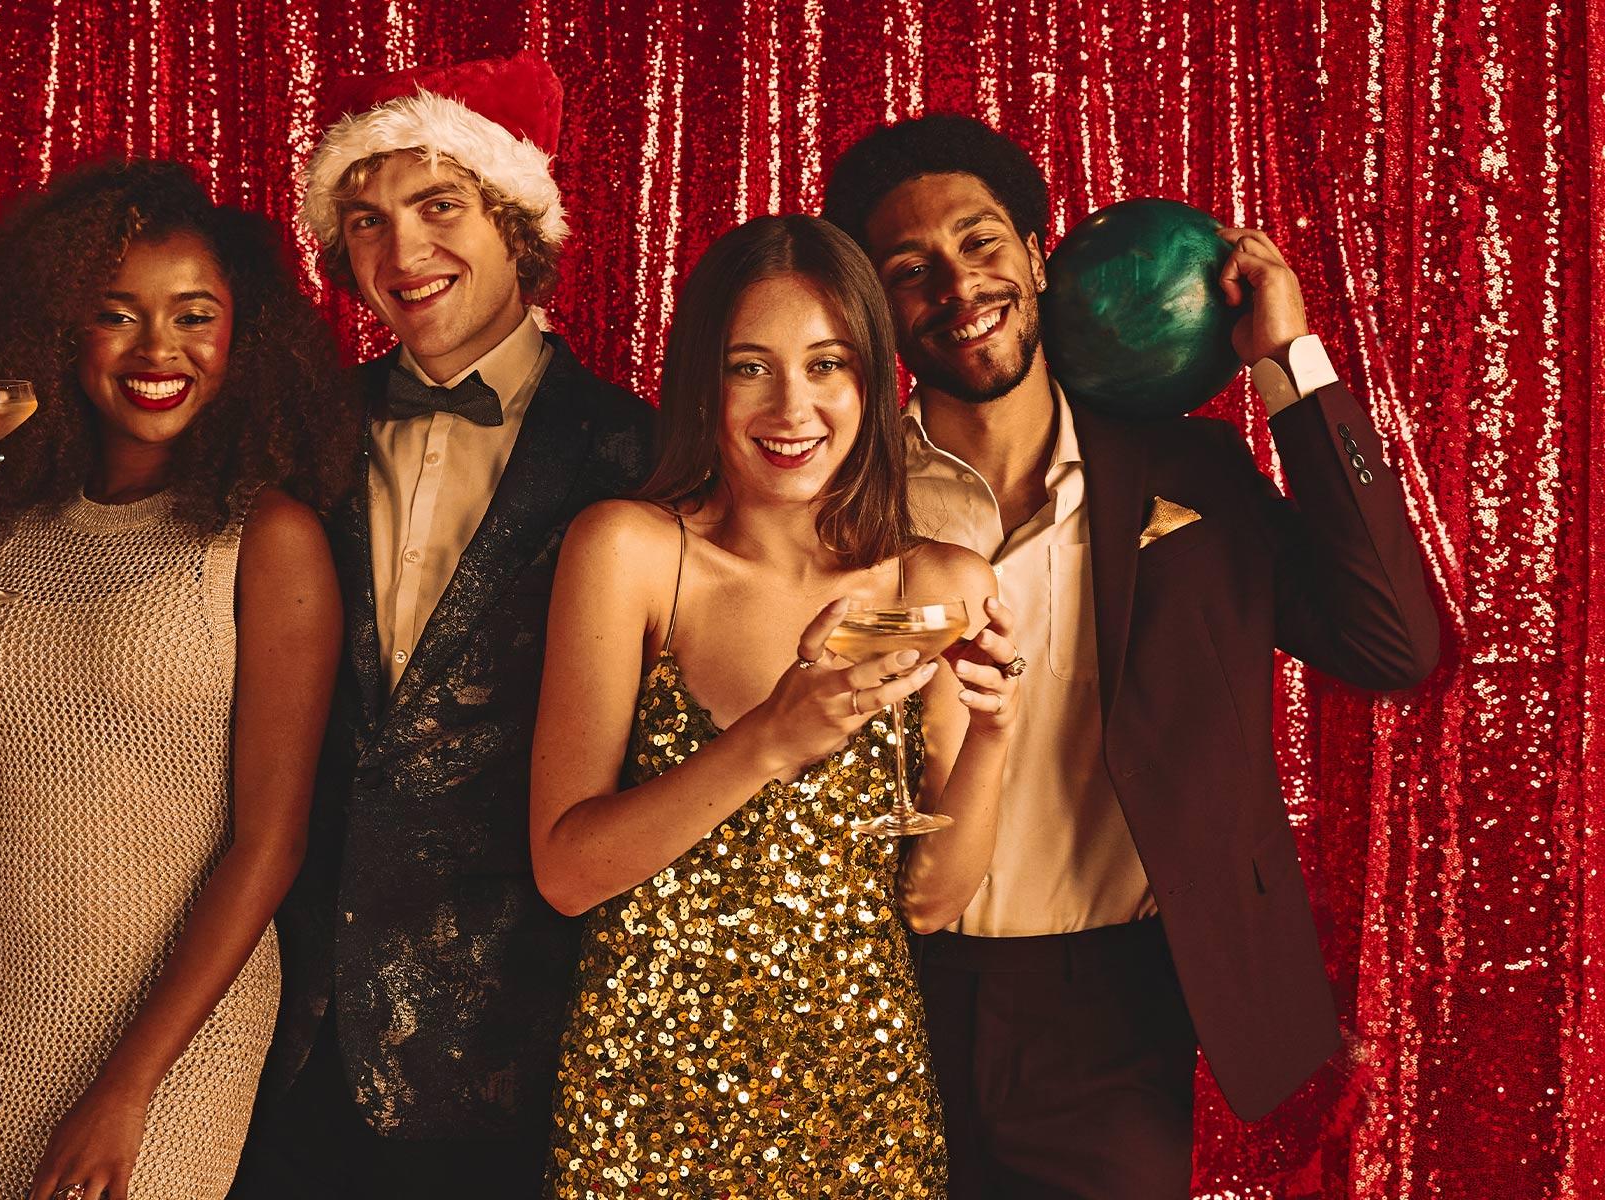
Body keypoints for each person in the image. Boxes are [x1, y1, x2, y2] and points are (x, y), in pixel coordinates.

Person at [822, 114, 1442, 1197]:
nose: (959, 288)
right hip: (873, 993)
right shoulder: (836, 495)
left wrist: (1291, 369)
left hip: (1109, 1009)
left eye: (981, 244)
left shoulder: (1190, 472)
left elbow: (1389, 641)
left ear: (1037, 256)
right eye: (909, 269)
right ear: (874, 307)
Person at [0, 160, 348, 1200]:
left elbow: (270, 842)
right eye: (117, 315)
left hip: (171, 1028)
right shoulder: (6, 519)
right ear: (60, 333)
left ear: (242, 336)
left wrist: (126, 1092)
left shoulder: (267, 539)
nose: (159, 350)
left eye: (194, 315)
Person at [220, 52, 656, 1197]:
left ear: (516, 219)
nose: (402, 253)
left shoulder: (642, 458)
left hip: (527, 1041)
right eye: (365, 220)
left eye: (438, 206)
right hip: (288, 1028)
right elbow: (189, 668)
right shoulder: (294, 439)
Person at [531, 214, 1025, 1198]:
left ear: (874, 382)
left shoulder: (928, 586)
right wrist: (768, 739)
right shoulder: (632, 553)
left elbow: (928, 903)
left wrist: (998, 732)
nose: (791, 405)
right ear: (702, 383)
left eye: (827, 364)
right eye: (749, 366)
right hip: (642, 1109)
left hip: (860, 1114)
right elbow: (567, 872)